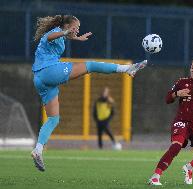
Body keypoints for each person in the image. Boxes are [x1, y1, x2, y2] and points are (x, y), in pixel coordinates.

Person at [31, 15, 147, 172]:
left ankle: (38, 150)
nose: (77, 30)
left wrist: (75, 38)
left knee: (53, 118)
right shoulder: (56, 32)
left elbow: (59, 38)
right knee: (91, 65)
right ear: (66, 26)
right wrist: (65, 33)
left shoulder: (62, 35)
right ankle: (126, 69)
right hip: (49, 71)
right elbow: (51, 36)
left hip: (40, 80)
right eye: (75, 27)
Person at [148, 57, 193, 185]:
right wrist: (177, 94)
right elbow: (168, 98)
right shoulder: (182, 82)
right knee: (176, 146)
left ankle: (189, 167)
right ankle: (155, 176)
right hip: (182, 122)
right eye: (192, 67)